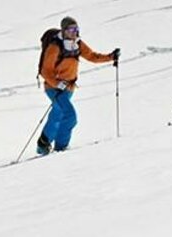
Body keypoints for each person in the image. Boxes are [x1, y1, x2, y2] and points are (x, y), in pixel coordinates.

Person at [36, 16, 117, 154]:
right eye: (71, 29)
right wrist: (57, 83)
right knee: (70, 116)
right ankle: (60, 147)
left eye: (76, 29)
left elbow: (92, 56)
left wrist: (111, 57)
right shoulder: (55, 47)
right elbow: (45, 70)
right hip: (54, 89)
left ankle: (42, 146)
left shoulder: (78, 44)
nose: (75, 32)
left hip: (68, 88)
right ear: (64, 30)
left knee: (57, 114)